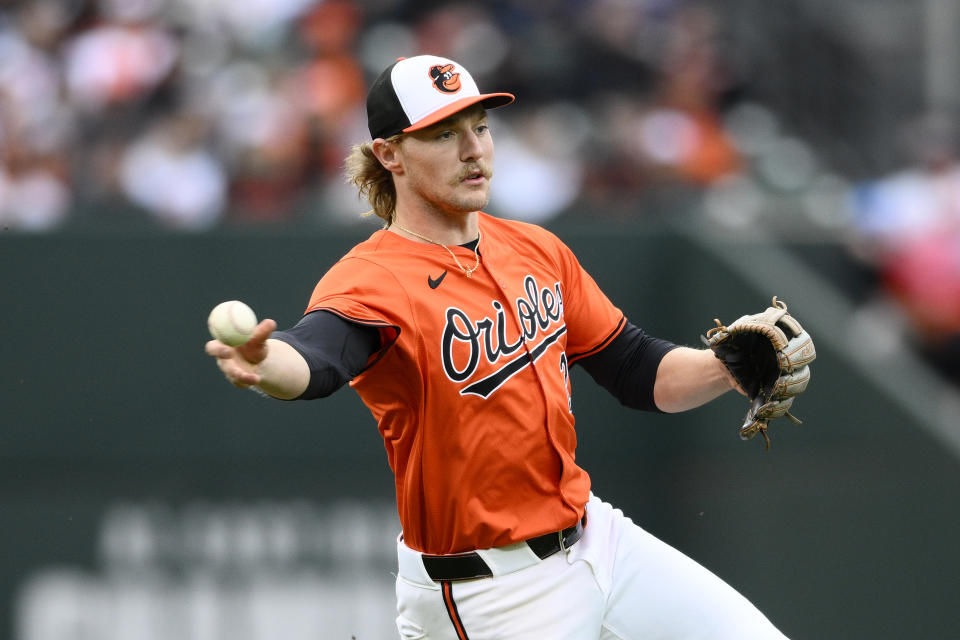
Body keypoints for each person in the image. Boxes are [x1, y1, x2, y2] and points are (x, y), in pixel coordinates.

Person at [205, 54, 790, 639]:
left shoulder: (536, 248)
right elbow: (318, 358)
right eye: (443, 135)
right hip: (490, 593)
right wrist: (265, 361)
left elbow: (637, 368)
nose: (473, 150)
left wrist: (725, 368)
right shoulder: (373, 279)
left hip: (597, 541)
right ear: (389, 155)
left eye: (480, 127)